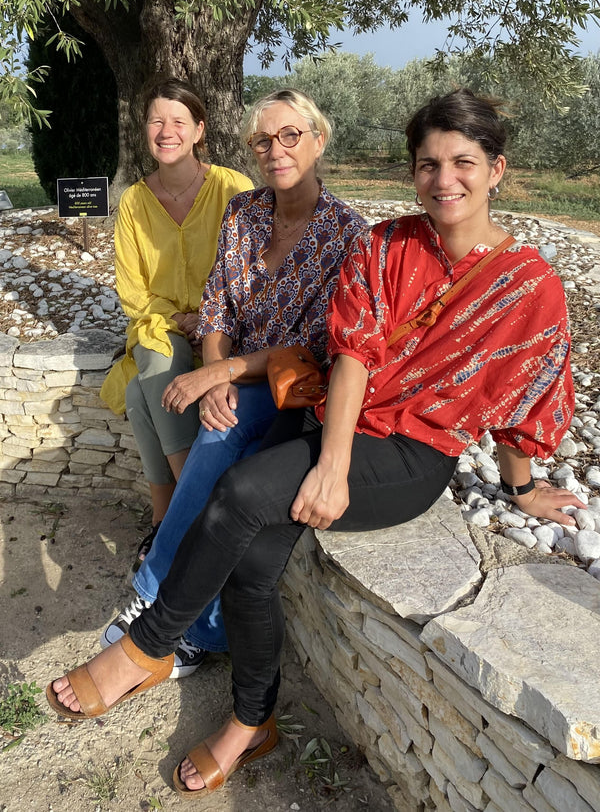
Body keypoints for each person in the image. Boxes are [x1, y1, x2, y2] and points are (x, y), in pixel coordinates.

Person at [48, 88, 583, 800]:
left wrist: (519, 488)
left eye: (462, 162)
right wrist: (329, 455)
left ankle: (146, 645)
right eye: (428, 163)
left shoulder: (530, 287)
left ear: (497, 169)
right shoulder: (387, 245)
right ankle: (251, 720)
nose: (443, 179)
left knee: (240, 491)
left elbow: (520, 401)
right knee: (251, 564)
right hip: (335, 419)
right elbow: (353, 351)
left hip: (409, 452)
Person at [99, 88, 366, 676]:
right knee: (207, 421)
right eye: (263, 140)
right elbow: (218, 307)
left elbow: (321, 345)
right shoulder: (245, 213)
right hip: (240, 377)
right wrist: (216, 374)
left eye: (290, 135)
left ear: (318, 141)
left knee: (222, 438)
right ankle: (197, 633)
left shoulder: (346, 233)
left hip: (295, 389)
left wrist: (221, 371)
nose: (276, 150)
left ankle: (156, 587)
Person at [99, 77, 252, 562]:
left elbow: (248, 275)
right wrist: (178, 319)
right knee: (158, 355)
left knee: (137, 393)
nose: (166, 131)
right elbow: (134, 294)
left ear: (199, 130)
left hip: (226, 328)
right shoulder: (133, 202)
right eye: (155, 121)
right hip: (159, 327)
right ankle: (192, 508)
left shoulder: (232, 188)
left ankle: (166, 516)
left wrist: (204, 318)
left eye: (178, 121)